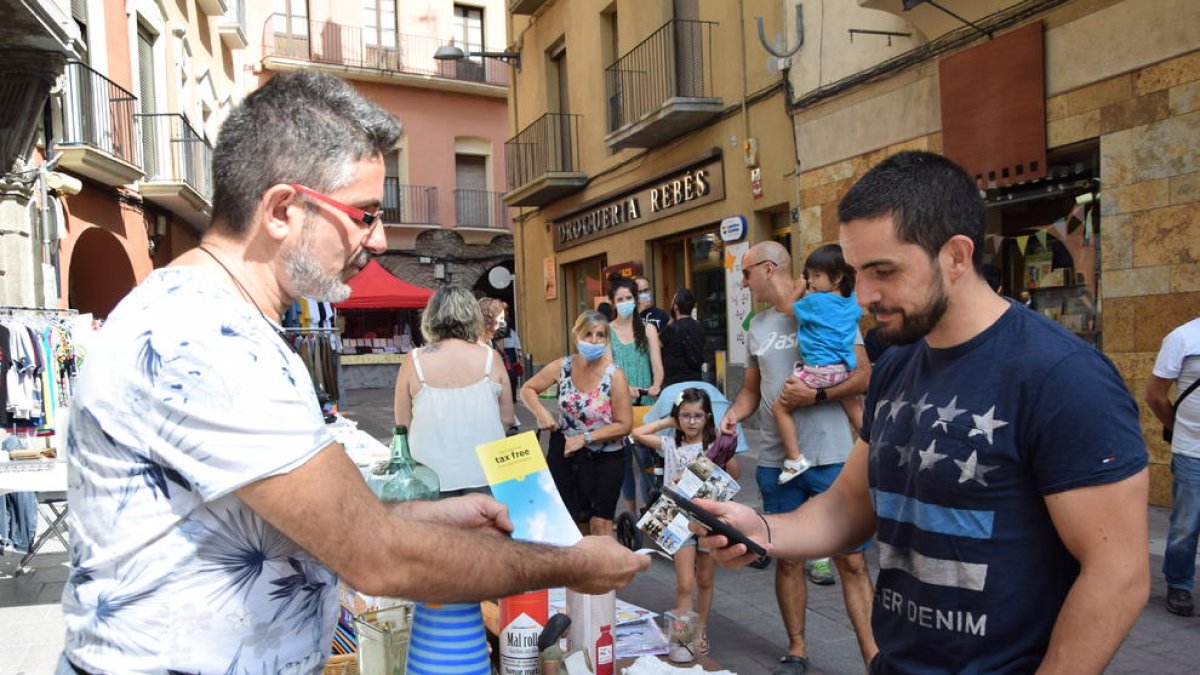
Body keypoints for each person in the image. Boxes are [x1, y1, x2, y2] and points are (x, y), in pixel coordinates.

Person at [57, 72, 648, 675]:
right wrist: (570, 561)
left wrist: (416, 516)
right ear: (283, 210)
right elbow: (380, 561)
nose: (380, 237)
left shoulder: (215, 319)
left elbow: (300, 519)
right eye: (364, 214)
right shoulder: (206, 339)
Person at [700, 151, 1149, 674]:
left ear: (957, 256)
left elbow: (1118, 574)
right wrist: (762, 530)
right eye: (856, 273)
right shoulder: (898, 365)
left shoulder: (1063, 377)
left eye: (883, 271)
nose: (864, 295)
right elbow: (848, 505)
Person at [717, 240, 878, 674]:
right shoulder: (757, 325)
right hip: (775, 460)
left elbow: (863, 375)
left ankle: (874, 658)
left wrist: (819, 392)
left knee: (852, 559)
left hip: (831, 456)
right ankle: (798, 648)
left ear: (768, 269)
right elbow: (752, 390)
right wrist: (733, 414)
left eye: (746, 272)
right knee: (786, 555)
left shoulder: (827, 307)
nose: (743, 281)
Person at [632, 388, 740, 657]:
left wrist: (722, 455)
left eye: (698, 416)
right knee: (684, 583)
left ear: (707, 417)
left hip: (707, 519)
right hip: (677, 519)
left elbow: (735, 472)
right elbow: (638, 433)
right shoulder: (670, 445)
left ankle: (700, 628)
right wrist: (668, 421)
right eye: (685, 416)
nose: (692, 421)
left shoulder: (715, 447)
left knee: (705, 578)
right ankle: (683, 638)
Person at [521, 310, 634, 537]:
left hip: (606, 456)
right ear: (576, 336)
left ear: (606, 340)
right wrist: (541, 412)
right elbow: (527, 389)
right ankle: (584, 569)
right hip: (567, 455)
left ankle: (604, 570)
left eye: (600, 335)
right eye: (588, 334)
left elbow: (625, 425)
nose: (594, 340)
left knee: (600, 523)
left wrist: (585, 438)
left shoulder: (614, 375)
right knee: (575, 520)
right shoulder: (562, 367)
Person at [394, 286, 512, 496]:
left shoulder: (413, 360)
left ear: (430, 317)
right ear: (472, 317)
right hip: (485, 471)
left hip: (430, 474)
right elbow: (507, 418)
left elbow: (402, 425)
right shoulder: (491, 358)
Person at [772, 244, 864, 484]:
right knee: (852, 404)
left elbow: (785, 309)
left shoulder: (816, 303)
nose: (811, 281)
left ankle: (794, 459)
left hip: (819, 370)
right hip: (844, 369)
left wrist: (800, 288)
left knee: (780, 408)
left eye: (816, 276)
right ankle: (871, 446)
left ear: (837, 277)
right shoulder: (852, 301)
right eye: (809, 275)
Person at [1146, 316, 1200, 617]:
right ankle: (1179, 584)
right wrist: (1179, 429)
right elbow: (1155, 395)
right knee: (1186, 525)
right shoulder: (1183, 337)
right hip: (1193, 451)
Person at [608, 275, 664, 515]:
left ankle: (647, 509)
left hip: (647, 403)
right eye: (620, 299)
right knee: (623, 461)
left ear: (636, 299)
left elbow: (657, 364)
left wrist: (657, 383)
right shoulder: (607, 332)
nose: (625, 302)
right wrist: (624, 388)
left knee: (646, 461)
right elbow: (609, 369)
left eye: (629, 297)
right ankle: (630, 512)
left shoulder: (648, 329)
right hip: (620, 405)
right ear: (613, 302)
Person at [660, 288, 706, 388]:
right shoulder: (699, 327)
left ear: (676, 306)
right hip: (696, 380)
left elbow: (656, 345)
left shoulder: (671, 329)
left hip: (674, 383)